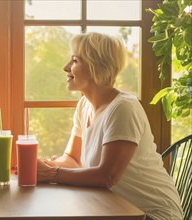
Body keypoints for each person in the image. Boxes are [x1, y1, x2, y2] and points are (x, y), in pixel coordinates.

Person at [37, 32, 183, 220]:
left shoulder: (123, 108)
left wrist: (51, 173)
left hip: (152, 215)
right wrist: (43, 166)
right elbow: (73, 158)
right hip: (113, 211)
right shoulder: (84, 106)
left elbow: (107, 177)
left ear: (95, 66)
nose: (66, 67)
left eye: (74, 61)